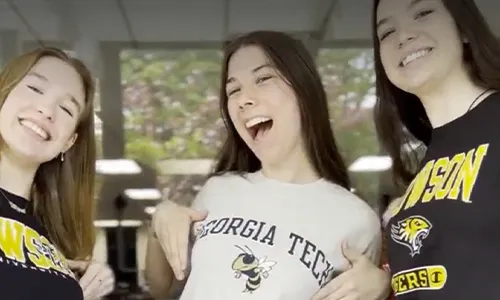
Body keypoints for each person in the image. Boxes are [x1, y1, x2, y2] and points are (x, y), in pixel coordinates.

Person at [145, 30, 384, 299]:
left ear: (303, 90)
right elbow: (161, 289)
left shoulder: (357, 220)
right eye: (233, 90)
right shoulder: (218, 189)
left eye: (263, 78)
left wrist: (386, 285)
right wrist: (159, 221)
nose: (244, 99)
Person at [362, 0, 500, 298]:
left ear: (463, 27)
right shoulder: (429, 161)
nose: (403, 36)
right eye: (386, 32)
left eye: (423, 13)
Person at [0, 47, 114, 299]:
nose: (46, 110)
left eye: (66, 109)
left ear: (68, 142)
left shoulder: (56, 244)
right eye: (35, 89)